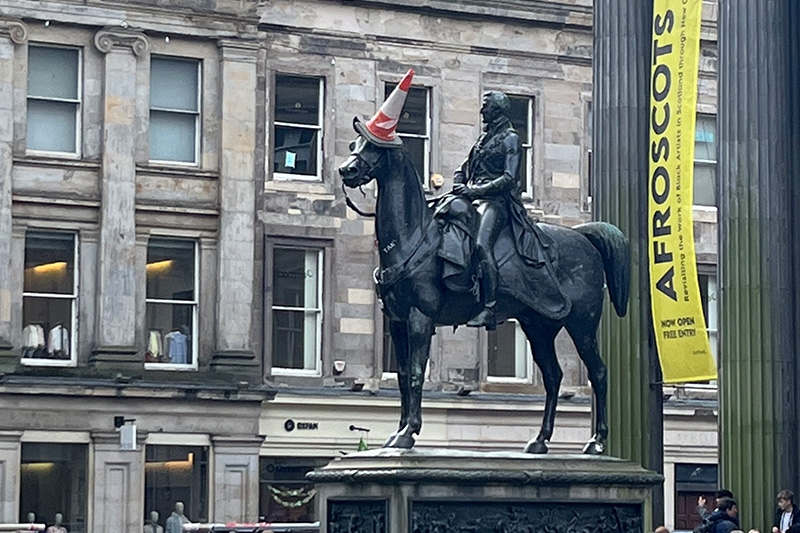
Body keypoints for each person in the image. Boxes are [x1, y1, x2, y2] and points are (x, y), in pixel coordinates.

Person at [452, 91, 522, 330]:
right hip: (473, 197)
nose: (482, 111)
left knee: (482, 244)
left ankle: (490, 306)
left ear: (497, 110)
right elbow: (463, 167)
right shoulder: (483, 139)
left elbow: (509, 177)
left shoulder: (510, 139)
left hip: (496, 202)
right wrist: (459, 183)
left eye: (486, 107)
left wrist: (477, 191)